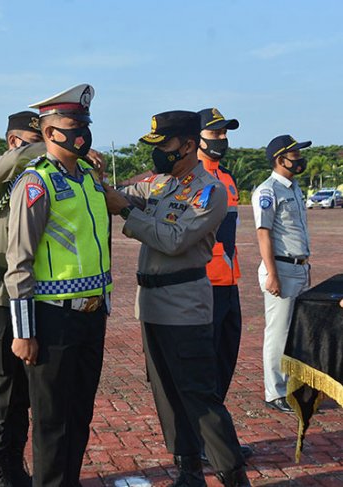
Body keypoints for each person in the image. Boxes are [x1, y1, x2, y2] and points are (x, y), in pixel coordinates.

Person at [103, 111, 250, 486]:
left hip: (185, 306)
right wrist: (96, 173)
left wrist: (125, 213)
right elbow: (120, 196)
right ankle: (189, 472)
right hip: (152, 305)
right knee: (167, 396)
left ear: (187, 145)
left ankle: (233, 476)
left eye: (163, 145)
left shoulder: (208, 191)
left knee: (200, 397)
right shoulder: (159, 184)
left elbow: (173, 240)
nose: (157, 154)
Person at [5, 84, 112, 486]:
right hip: (53, 321)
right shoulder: (36, 184)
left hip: (91, 316)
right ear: (50, 134)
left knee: (80, 416)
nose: (82, 132)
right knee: (52, 423)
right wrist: (24, 332)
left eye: (86, 123)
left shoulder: (88, 178)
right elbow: (18, 263)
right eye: (73, 125)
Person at [0, 110, 44, 485]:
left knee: (29, 394)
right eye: (36, 140)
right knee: (2, 390)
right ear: (15, 142)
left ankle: (18, 466)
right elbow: (16, 161)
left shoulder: (36, 179)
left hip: (31, 297)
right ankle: (2, 470)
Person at [197, 108, 253, 460]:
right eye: (214, 134)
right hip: (203, 286)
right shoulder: (191, 178)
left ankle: (216, 438)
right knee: (204, 369)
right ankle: (203, 443)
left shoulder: (227, 179)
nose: (221, 141)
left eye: (224, 134)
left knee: (224, 361)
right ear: (197, 137)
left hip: (229, 283)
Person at [252, 135, 312, 413]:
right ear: (280, 159)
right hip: (281, 268)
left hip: (299, 267)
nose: (300, 159)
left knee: (295, 332)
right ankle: (274, 391)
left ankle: (292, 388)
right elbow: (264, 233)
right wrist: (272, 274)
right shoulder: (268, 191)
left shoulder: (295, 188)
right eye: (295, 154)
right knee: (278, 332)